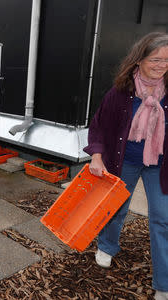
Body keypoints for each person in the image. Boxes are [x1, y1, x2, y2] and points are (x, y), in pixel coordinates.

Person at [84, 32, 168, 299]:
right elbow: (98, 125)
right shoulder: (121, 92)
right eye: (155, 59)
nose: (161, 65)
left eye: (167, 60)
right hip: (125, 160)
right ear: (138, 60)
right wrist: (97, 156)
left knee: (163, 220)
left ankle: (164, 282)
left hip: (161, 164)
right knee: (116, 207)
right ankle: (107, 246)